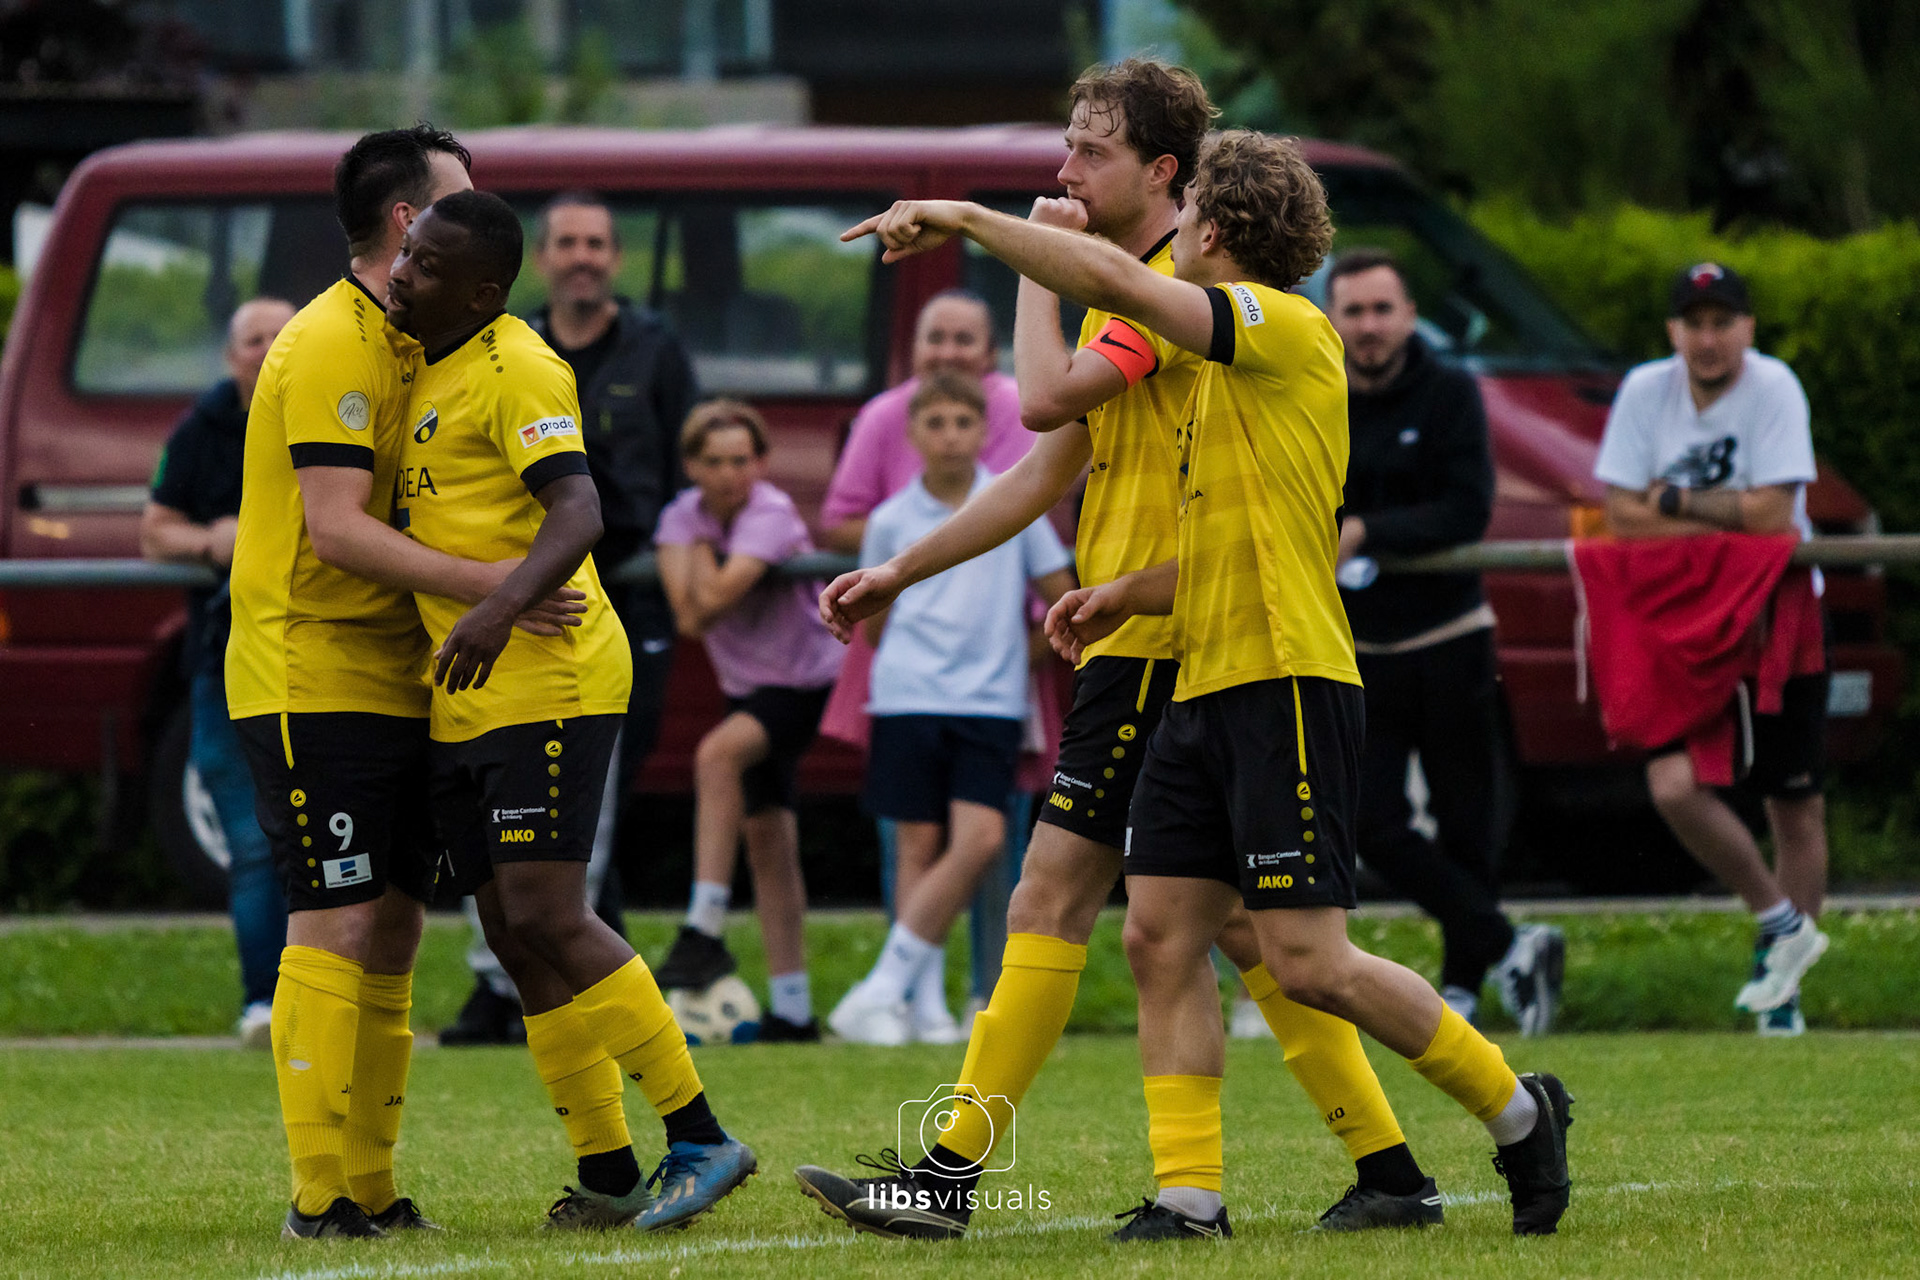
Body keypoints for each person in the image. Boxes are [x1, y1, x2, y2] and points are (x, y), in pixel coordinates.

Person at [843, 127, 1577, 1238]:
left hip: (1285, 679)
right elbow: (1227, 529)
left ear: (1216, 228)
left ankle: (1519, 1110)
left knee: (1307, 959)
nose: (1170, 231)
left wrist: (968, 219)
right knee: (1160, 935)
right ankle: (1193, 1198)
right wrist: (1125, 590)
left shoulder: (1279, 323)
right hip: (1198, 678)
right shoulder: (1205, 369)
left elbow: (1112, 300)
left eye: (1184, 217)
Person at [386, 189, 754, 1232]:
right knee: (510, 928)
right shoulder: (426, 367)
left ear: (482, 291)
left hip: (550, 676)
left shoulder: (520, 363)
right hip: (471, 688)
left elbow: (579, 509)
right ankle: (607, 1168)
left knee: (550, 911)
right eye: (406, 253)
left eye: (425, 263)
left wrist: (498, 608)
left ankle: (701, 1135)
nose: (403, 273)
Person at [227, 125, 492, 1241]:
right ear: (407, 221)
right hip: (309, 672)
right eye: (461, 200)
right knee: (333, 918)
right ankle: (316, 1194)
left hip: (398, 674)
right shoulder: (331, 339)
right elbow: (334, 530)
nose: (482, 217)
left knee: (392, 926)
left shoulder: (422, 337)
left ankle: (372, 1186)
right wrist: (501, 585)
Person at [440, 189, 699, 1046]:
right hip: (518, 605)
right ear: (542, 260)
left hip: (623, 601)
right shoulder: (509, 351)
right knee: (509, 818)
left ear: (615, 258)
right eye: (568, 243)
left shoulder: (655, 349)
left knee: (594, 805)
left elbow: (682, 478)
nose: (583, 257)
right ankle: (517, 983)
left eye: (597, 243)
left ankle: (581, 977)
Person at [1325, 248, 1565, 1034]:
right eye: (1354, 311)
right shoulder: (1315, 394)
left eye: (1382, 309)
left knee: (1469, 822)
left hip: (1450, 637)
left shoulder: (1452, 391)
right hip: (1358, 648)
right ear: (1332, 318)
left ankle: (1464, 981)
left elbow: (1468, 509)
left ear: (1409, 316)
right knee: (1369, 825)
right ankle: (1510, 945)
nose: (1368, 326)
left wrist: (1366, 531)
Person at [1594, 262, 1830, 1036]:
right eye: (1694, 323)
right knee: (1671, 784)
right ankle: (1780, 922)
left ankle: (1782, 994)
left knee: (1792, 799)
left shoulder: (1774, 387)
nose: (1708, 339)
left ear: (1748, 328)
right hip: (1682, 620)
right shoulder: (1644, 390)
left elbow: (1775, 515)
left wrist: (1671, 500)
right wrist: (1726, 519)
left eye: (1723, 322)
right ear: (1673, 331)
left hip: (1774, 615)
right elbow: (1621, 516)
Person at [826, 370, 1075, 1047]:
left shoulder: (1013, 506)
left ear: (984, 431)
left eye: (963, 422)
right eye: (934, 422)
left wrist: (1013, 656)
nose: (950, 435)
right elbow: (875, 624)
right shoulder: (889, 521)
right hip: (907, 697)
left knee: (983, 839)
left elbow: (1060, 596)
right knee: (916, 846)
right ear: (912, 434)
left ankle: (884, 986)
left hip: (990, 703)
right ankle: (922, 1006)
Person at [654, 400, 845, 1040]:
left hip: (803, 681)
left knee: (716, 755)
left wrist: (698, 553)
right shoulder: (680, 514)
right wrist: (700, 557)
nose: (729, 474)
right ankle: (793, 1008)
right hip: (747, 687)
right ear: (691, 466)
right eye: (713, 462)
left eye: (741, 460)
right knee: (768, 839)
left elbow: (710, 598)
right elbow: (688, 620)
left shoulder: (771, 512)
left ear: (761, 462)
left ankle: (703, 927)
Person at [141, 295, 296, 1048]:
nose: (266, 349)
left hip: (328, 660)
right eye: (252, 338)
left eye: (280, 336)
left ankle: (336, 1003)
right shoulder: (197, 431)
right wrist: (210, 541)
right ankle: (264, 1003)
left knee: (340, 844)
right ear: (231, 357)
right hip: (226, 665)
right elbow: (154, 532)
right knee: (255, 842)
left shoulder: (334, 415)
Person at [819, 290, 1031, 554]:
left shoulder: (1022, 407)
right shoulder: (880, 414)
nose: (947, 354)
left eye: (963, 340)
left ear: (991, 354)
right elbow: (839, 526)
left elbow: (1025, 516)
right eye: (935, 338)